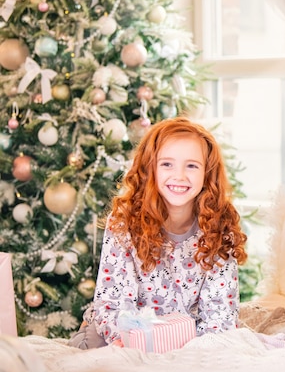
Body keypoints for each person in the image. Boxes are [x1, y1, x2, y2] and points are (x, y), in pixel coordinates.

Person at [69, 117, 248, 348]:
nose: (179, 176)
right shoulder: (126, 222)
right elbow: (114, 302)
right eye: (167, 164)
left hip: (184, 336)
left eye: (192, 165)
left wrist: (199, 351)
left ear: (207, 173)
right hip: (120, 331)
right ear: (150, 168)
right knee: (92, 366)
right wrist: (131, 342)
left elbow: (220, 312)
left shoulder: (219, 225)